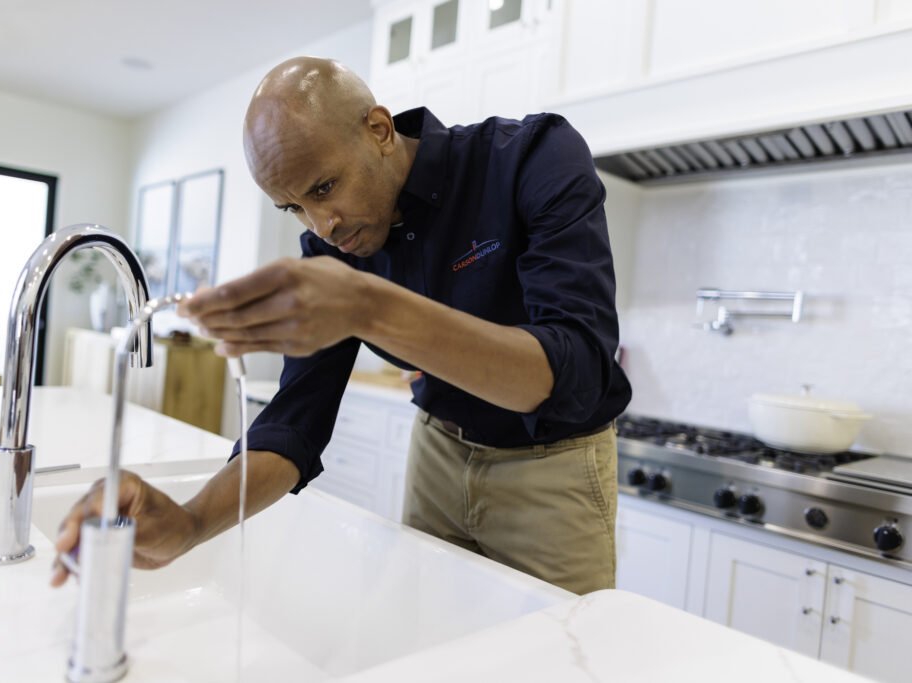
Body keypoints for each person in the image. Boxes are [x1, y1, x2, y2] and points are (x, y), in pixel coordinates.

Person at [52, 56, 631, 595]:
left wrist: (366, 304)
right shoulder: (332, 250)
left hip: (553, 464)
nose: (321, 225)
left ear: (379, 130)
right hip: (436, 450)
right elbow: (295, 421)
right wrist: (191, 522)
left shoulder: (531, 157)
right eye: (294, 207)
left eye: (324, 188)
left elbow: (575, 370)